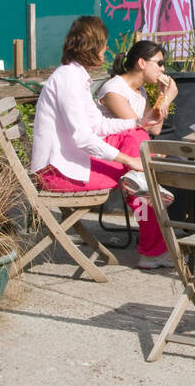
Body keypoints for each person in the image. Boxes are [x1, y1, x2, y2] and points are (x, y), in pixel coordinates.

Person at [30, 17, 172, 270]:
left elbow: (98, 126)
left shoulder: (75, 77)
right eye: (103, 45)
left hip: (69, 163)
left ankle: (147, 196)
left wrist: (137, 123)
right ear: (92, 46)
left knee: (136, 141)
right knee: (138, 176)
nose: (106, 51)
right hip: (58, 173)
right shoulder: (69, 80)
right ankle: (152, 244)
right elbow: (83, 138)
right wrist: (128, 161)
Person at [98, 39, 179, 136]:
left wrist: (161, 96)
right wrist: (167, 98)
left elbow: (155, 130)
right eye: (159, 63)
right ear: (141, 63)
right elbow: (138, 129)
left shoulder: (140, 90)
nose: (163, 69)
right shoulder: (114, 90)